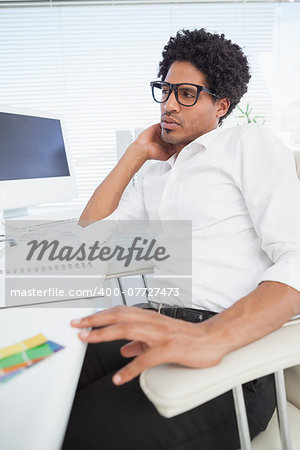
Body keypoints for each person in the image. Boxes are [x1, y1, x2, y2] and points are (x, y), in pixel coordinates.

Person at [62, 29, 300, 450]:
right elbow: (87, 248)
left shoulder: (247, 144)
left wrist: (213, 336)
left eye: (187, 93)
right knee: (37, 380)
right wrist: (136, 153)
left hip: (230, 348)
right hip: (152, 319)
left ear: (221, 105)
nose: (169, 104)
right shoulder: (157, 171)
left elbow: (296, 256)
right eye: (166, 90)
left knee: (79, 429)